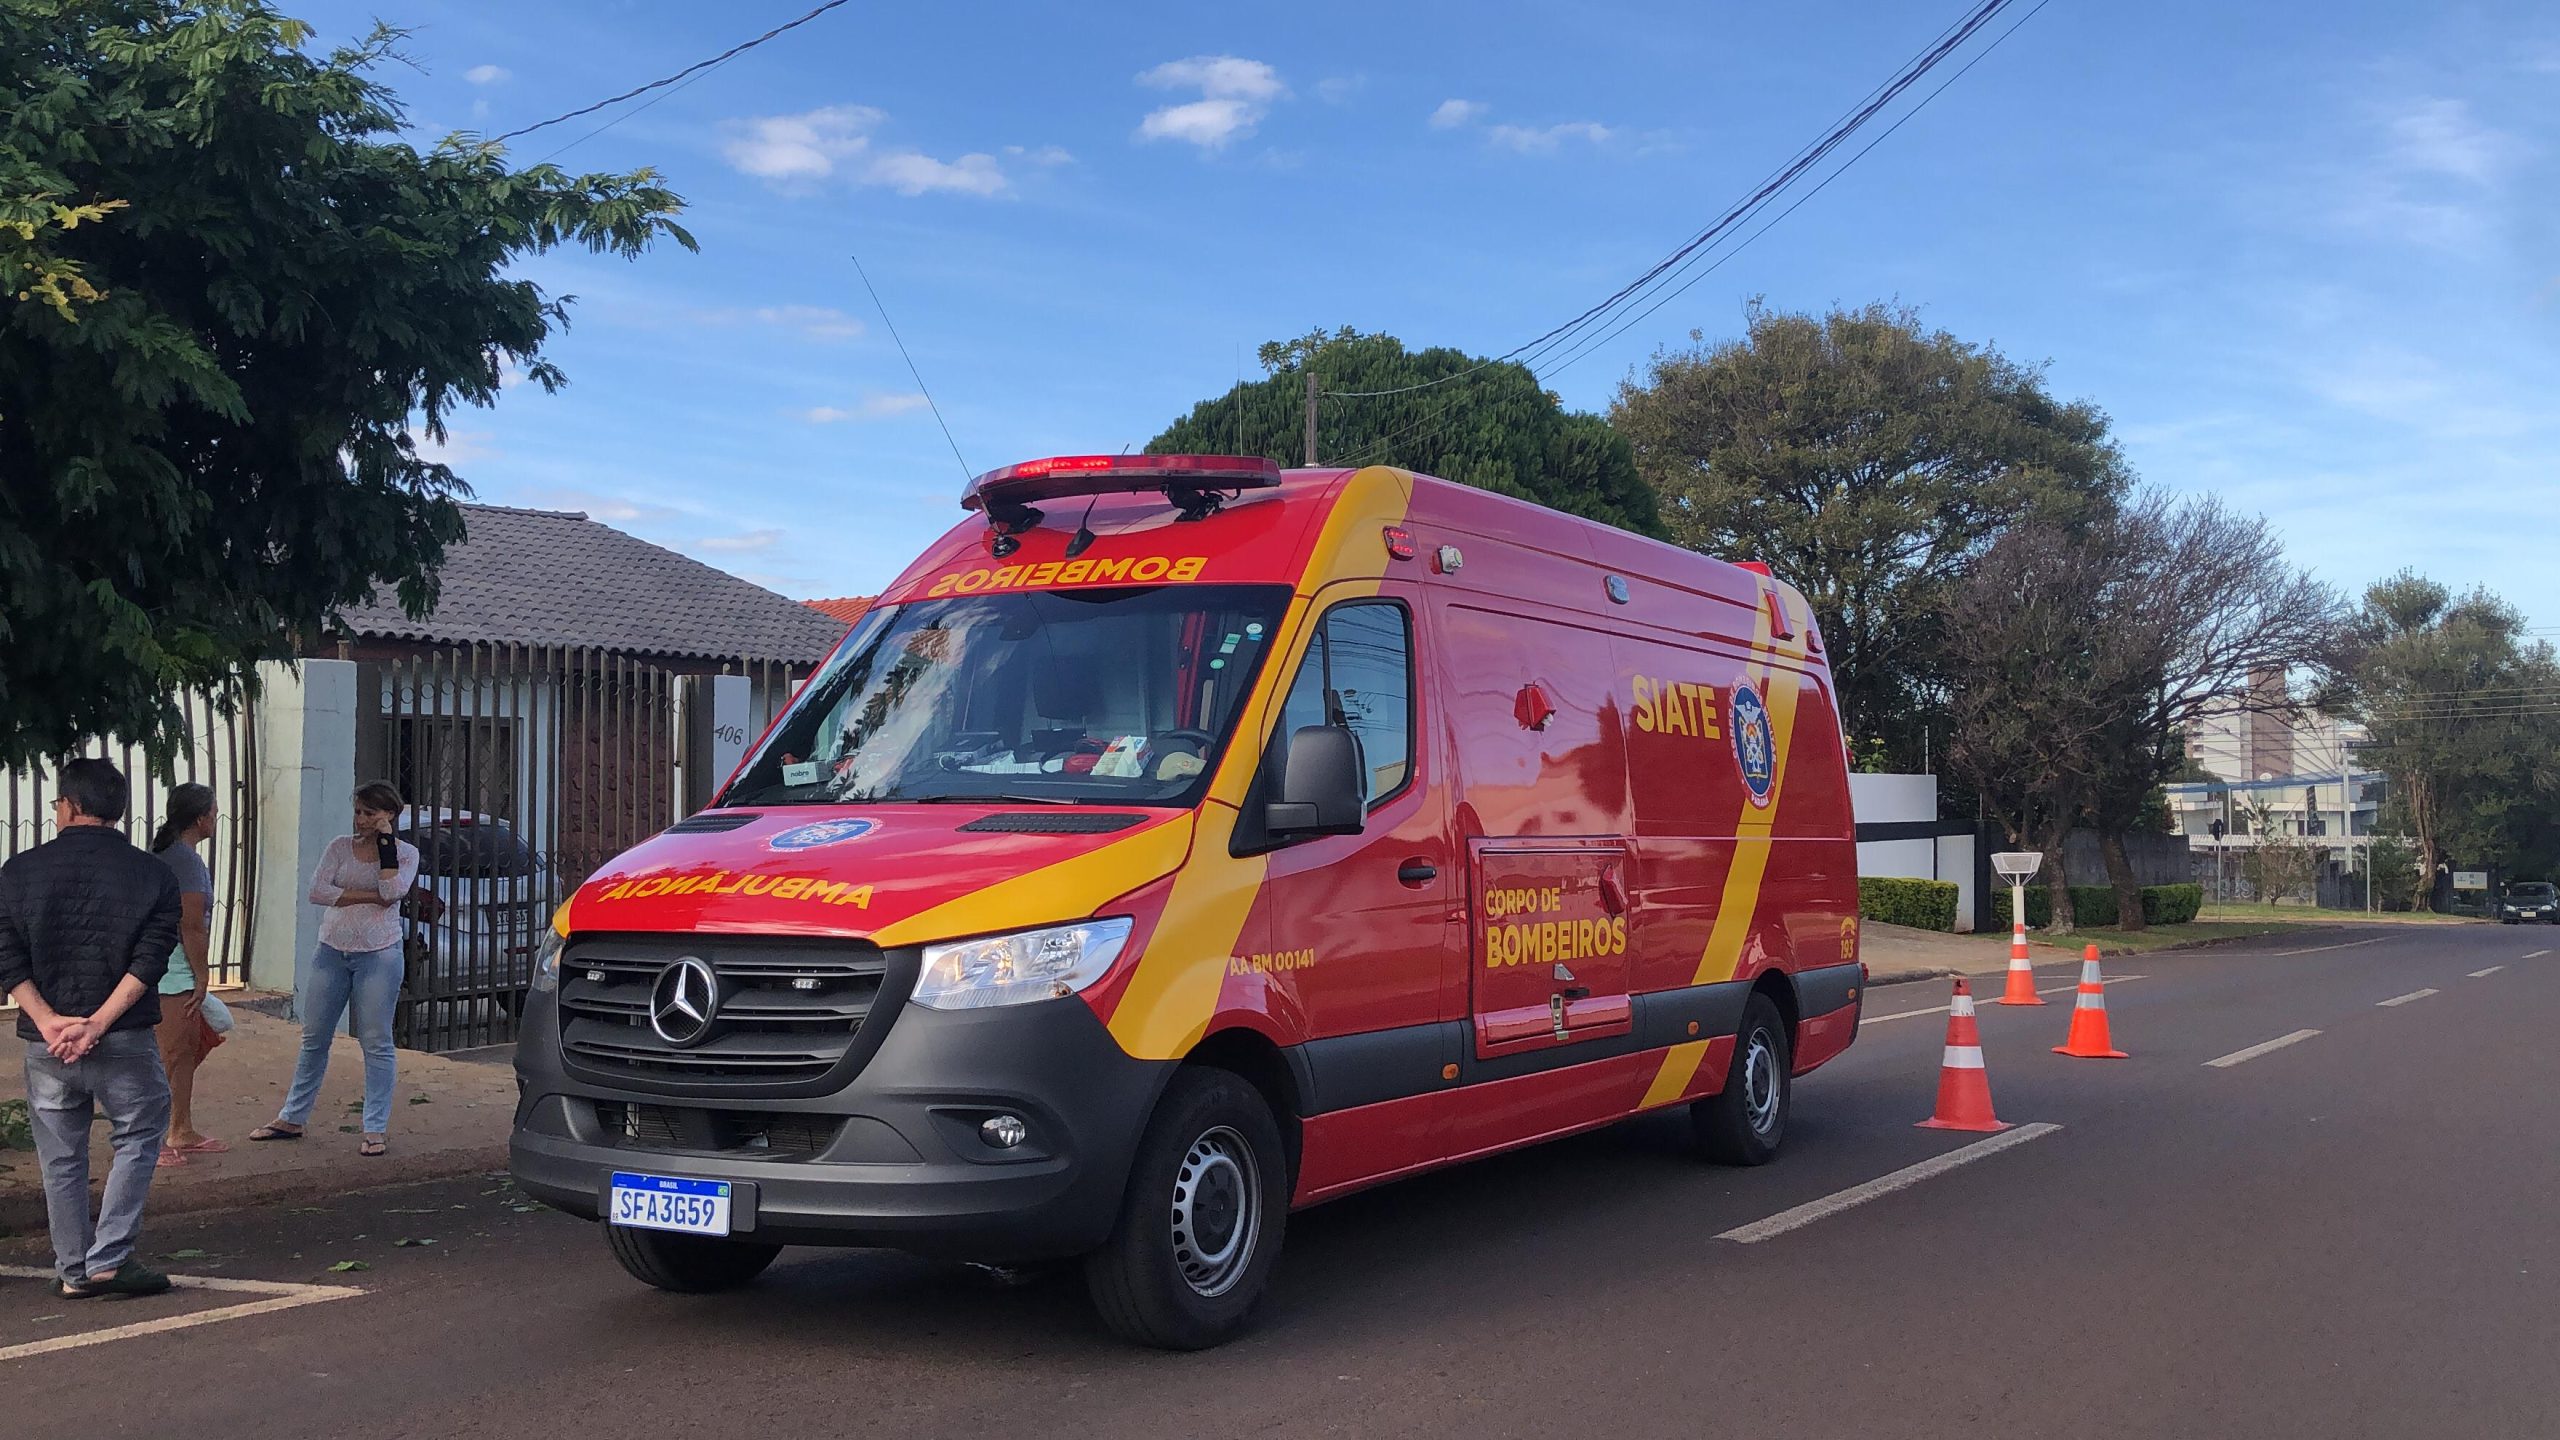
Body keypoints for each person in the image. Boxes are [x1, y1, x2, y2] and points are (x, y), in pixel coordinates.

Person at [0, 757, 182, 1299]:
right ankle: (110, 1257)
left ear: (70, 807)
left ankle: (74, 1267)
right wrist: (98, 1023)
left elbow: (7, 955)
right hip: (122, 1037)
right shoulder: (153, 873)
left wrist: (49, 1020)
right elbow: (151, 960)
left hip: (47, 1041)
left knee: (60, 1154)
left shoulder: (17, 871)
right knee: (139, 1132)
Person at [249, 782, 417, 1156]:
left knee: (376, 1041)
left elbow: (392, 893)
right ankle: (292, 1116)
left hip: (379, 954)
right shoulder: (340, 847)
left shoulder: (405, 853)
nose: (360, 819)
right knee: (314, 1038)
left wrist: (385, 846)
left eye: (369, 813)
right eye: (357, 811)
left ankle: (375, 1127)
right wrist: (366, 896)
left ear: (388, 815)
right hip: (332, 951)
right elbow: (317, 891)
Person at [149, 783, 229, 1166]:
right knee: (171, 1054)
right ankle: (157, 1137)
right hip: (174, 969)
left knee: (183, 1050)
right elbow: (192, 925)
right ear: (201, 819)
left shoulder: (168, 854)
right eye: (214, 812)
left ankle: (179, 1127)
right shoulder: (186, 862)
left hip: (168, 967)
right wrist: (202, 976)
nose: (216, 819)